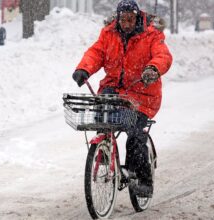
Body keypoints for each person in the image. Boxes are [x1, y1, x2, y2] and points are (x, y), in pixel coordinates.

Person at [72, 0, 172, 197]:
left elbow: (163, 56)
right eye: (122, 19)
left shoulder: (152, 34)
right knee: (101, 113)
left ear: (137, 18)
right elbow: (96, 53)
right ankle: (104, 150)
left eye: (130, 19)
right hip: (115, 90)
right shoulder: (109, 33)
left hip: (142, 93)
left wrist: (153, 69)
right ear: (117, 18)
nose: (126, 23)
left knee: (134, 135)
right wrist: (84, 69)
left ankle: (143, 180)